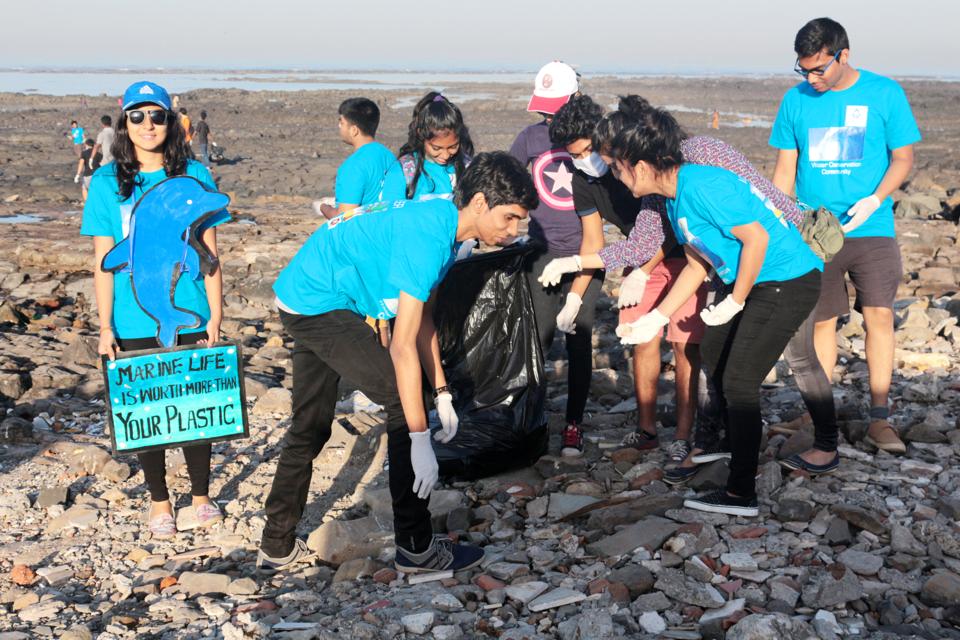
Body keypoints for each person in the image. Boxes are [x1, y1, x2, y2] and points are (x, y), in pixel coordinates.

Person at [258, 152, 538, 572]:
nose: (514, 231)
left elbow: (421, 316)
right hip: (319, 301)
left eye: (520, 221)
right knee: (402, 400)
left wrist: (442, 391)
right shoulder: (430, 236)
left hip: (309, 292)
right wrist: (421, 438)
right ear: (480, 203)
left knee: (311, 425)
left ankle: (276, 544)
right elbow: (402, 347)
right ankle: (417, 548)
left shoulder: (446, 226)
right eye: (510, 218)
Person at [544, 96, 842, 481]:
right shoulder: (657, 189)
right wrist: (576, 264)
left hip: (782, 262)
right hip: (725, 265)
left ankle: (818, 447)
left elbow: (762, 198)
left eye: (610, 160)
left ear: (635, 149)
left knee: (793, 359)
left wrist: (786, 253)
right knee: (713, 352)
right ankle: (710, 443)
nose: (610, 171)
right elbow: (645, 246)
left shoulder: (702, 155)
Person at [606, 111, 823, 516]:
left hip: (787, 280)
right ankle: (727, 442)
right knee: (715, 349)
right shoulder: (674, 198)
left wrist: (735, 300)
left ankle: (741, 493)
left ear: (640, 167)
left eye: (618, 168)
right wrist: (656, 318)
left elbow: (756, 238)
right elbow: (695, 265)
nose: (616, 177)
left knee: (740, 382)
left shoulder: (702, 185)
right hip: (757, 281)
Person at [81, 81, 229, 538]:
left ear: (171, 121)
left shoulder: (195, 175)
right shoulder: (106, 182)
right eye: (138, 116)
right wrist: (105, 326)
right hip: (132, 317)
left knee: (196, 404)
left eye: (157, 115)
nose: (148, 125)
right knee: (147, 411)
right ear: (124, 123)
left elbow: (209, 252)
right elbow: (104, 262)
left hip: (191, 309)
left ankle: (201, 496)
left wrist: (216, 314)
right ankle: (159, 501)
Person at [770, 18, 920, 455]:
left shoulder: (885, 93)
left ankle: (880, 418)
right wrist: (778, 222)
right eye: (803, 70)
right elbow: (785, 169)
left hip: (871, 228)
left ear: (844, 55)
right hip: (814, 232)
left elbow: (903, 158)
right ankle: (817, 414)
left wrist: (876, 199)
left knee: (879, 316)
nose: (811, 79)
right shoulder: (795, 100)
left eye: (819, 69)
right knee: (820, 321)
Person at [544, 94, 701, 464]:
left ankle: (683, 434)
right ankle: (647, 431)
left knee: (684, 345)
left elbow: (668, 223)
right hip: (637, 259)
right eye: (575, 155)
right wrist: (575, 294)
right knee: (640, 340)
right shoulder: (583, 179)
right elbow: (593, 241)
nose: (585, 160)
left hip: (686, 256)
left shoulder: (635, 159)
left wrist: (644, 270)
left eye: (588, 150)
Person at [510, 61, 601, 458]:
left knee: (579, 341)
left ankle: (573, 424)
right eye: (544, 110)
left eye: (555, 109)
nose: (549, 118)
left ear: (575, 98)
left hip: (586, 252)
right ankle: (530, 419)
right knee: (539, 339)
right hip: (541, 251)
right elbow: (507, 179)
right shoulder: (530, 138)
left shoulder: (593, 140)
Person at [380, 92, 474, 202]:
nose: (445, 155)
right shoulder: (402, 171)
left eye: (453, 147)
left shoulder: (467, 166)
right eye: (436, 148)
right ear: (421, 135)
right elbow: (390, 209)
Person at [316, 97, 395, 219]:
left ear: (354, 130)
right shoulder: (389, 156)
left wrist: (323, 207)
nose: (339, 126)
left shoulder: (353, 166)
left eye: (342, 122)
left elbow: (344, 217)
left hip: (366, 227)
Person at [74, 138, 101, 203]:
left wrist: (77, 175)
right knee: (96, 190)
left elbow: (81, 163)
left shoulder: (84, 153)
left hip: (88, 174)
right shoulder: (99, 154)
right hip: (97, 175)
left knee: (84, 188)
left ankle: (87, 203)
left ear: (86, 145)